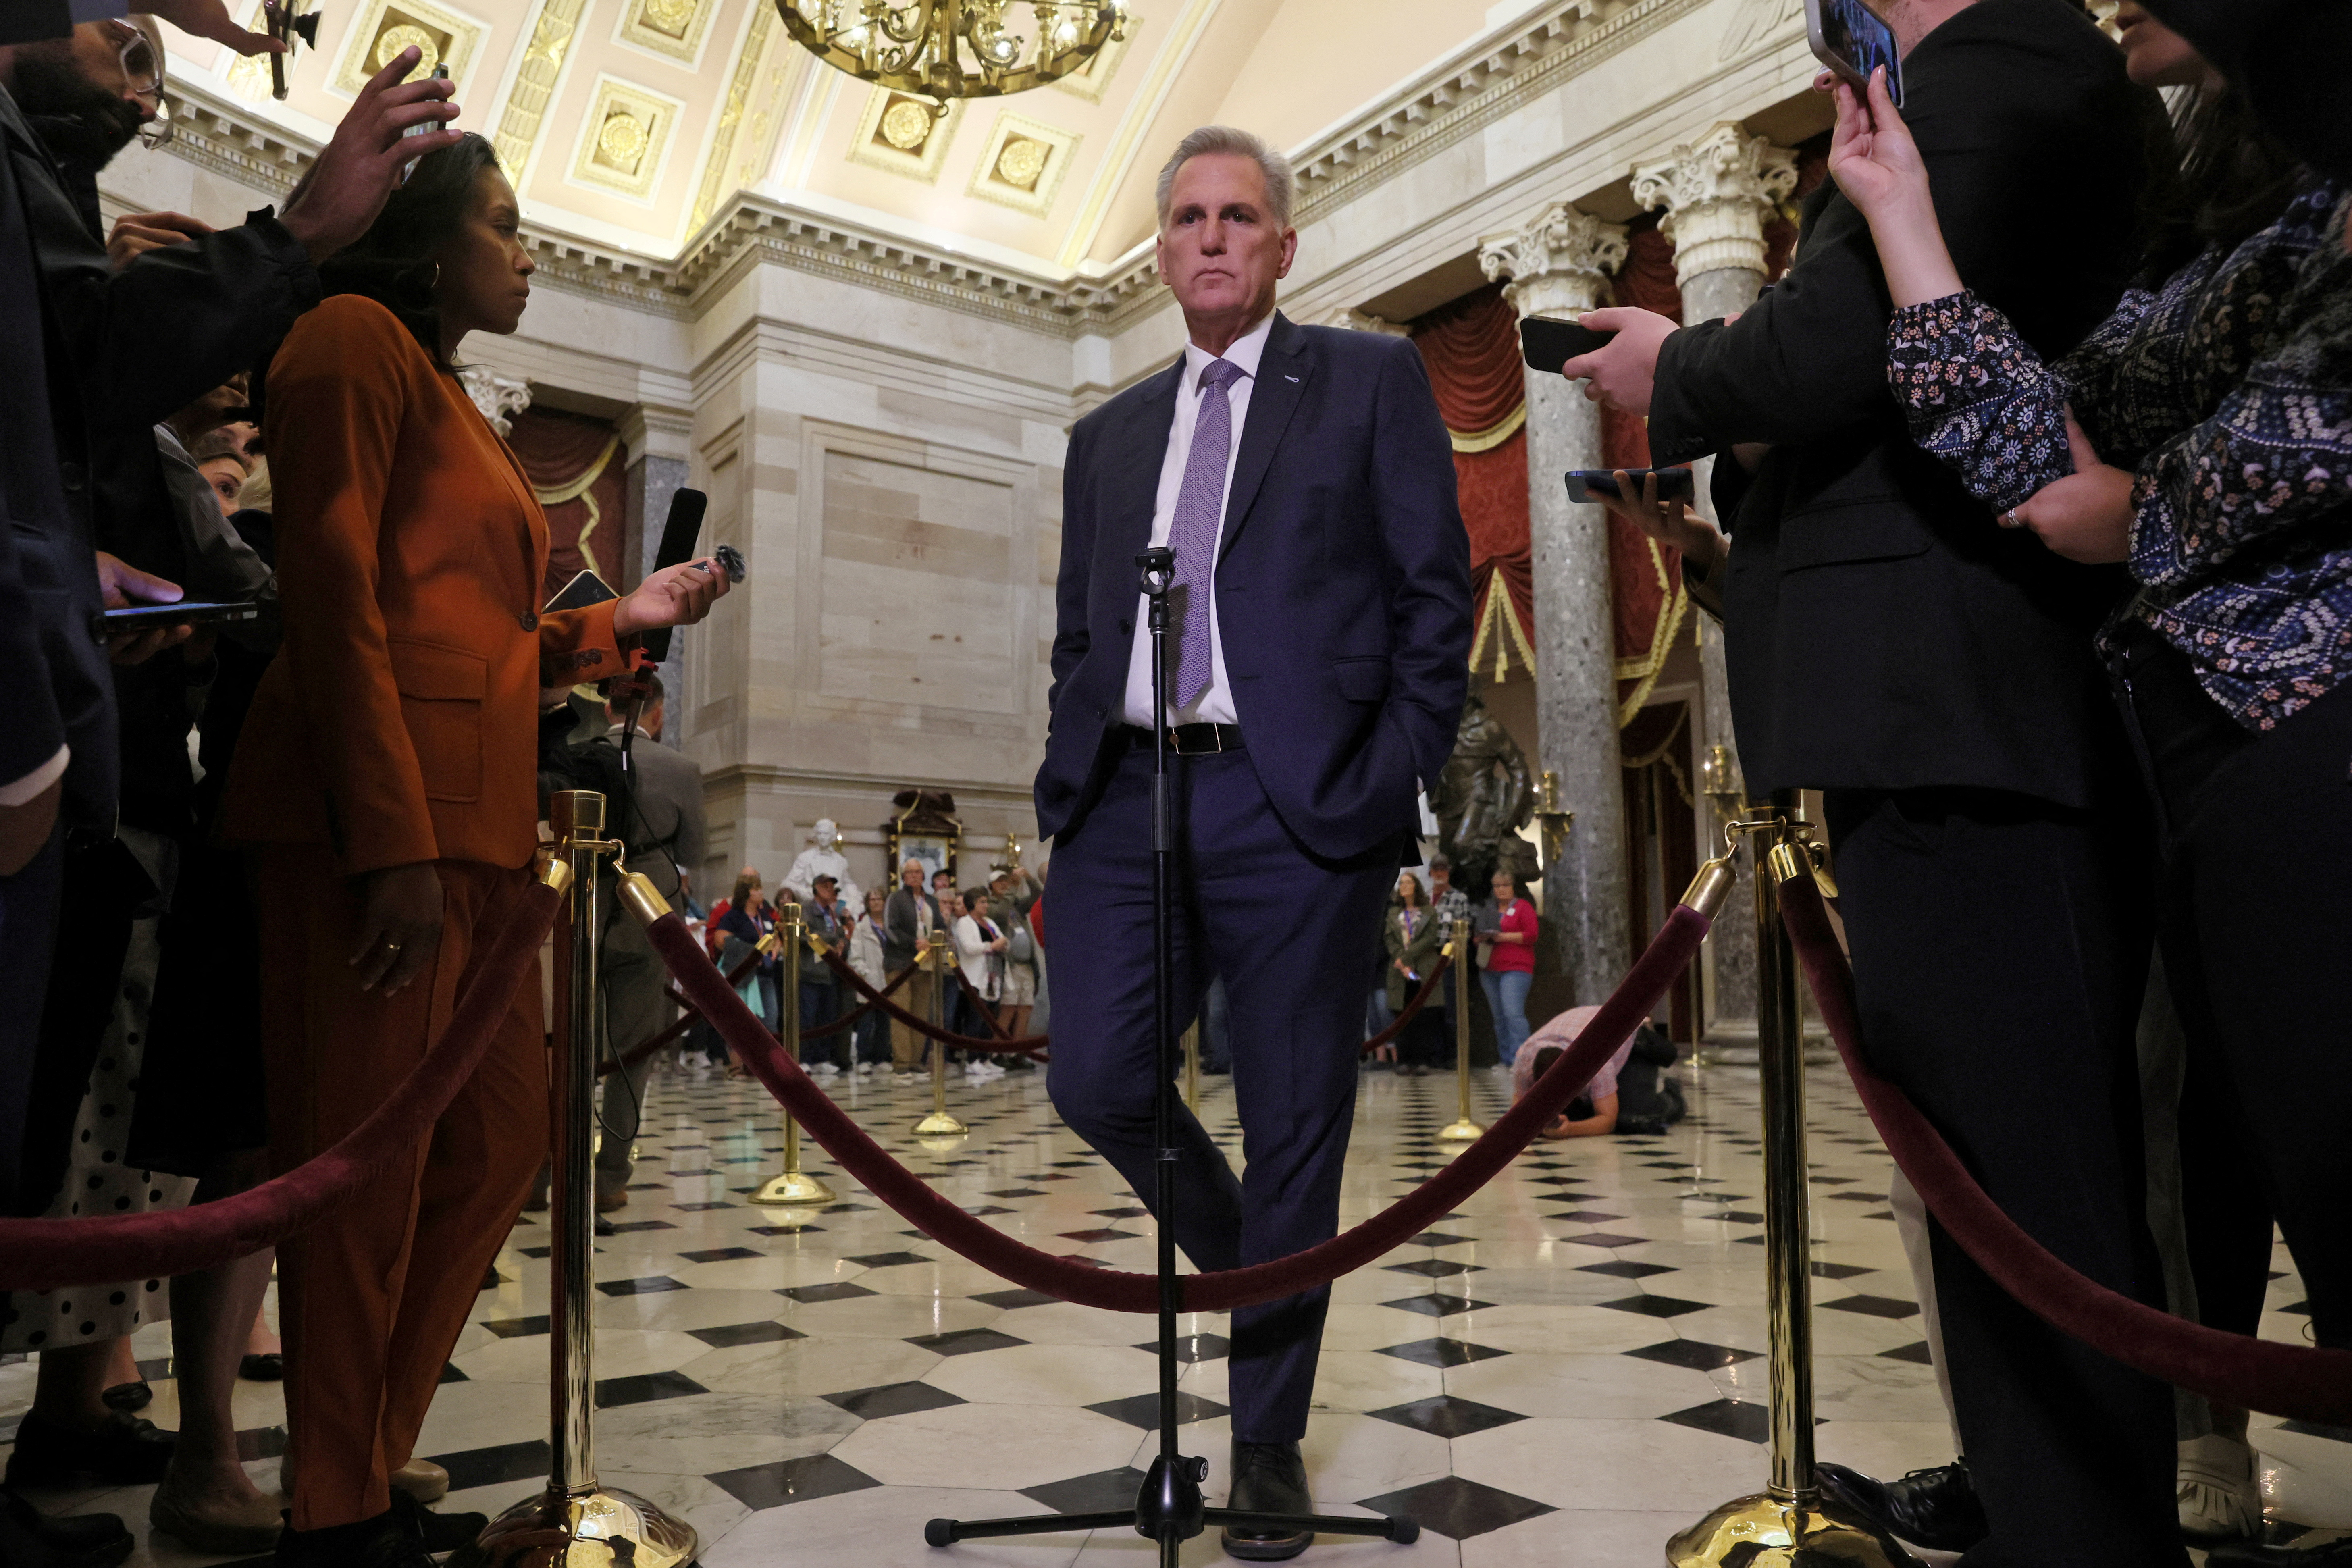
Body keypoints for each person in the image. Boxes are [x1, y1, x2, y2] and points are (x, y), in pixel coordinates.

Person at [1563, 0, 2183, 1560]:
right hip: (1929, 699)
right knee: (1984, 1169)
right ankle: (2044, 1503)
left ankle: (2082, 1535)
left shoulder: (2001, 63)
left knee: (2024, 1182)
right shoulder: (1951, 84)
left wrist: (1678, 366)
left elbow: (1844, 348)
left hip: (1969, 693)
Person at [1824, 18, 2350, 1565]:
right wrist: (1900, 209)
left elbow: (2163, 491)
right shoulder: (2288, 234)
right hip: (2217, 793)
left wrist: (2153, 509)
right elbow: (2035, 455)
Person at [214, 134, 729, 1565]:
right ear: (429, 239)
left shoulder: (445, 390)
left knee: (503, 1134)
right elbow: (330, 584)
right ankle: (334, 1500)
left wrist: (616, 621)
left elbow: (475, 627)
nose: (527, 250)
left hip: (490, 833)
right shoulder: (347, 338)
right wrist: (386, 838)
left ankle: (372, 1445)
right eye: (503, 226)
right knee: (356, 1166)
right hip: (374, 830)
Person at [1035, 124, 1469, 1559]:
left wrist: (1387, 769)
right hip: (1126, 797)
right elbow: (1080, 631)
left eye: (1237, 216)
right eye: (1185, 218)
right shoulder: (1104, 436)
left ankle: (1267, 1440)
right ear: (1159, 252)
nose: (1211, 237)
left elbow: (1431, 597)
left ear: (1282, 244)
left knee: (1295, 1122)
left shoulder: (1364, 380)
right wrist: (1066, 770)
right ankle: (1257, 1265)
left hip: (1299, 805)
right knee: (1095, 1076)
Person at [589, 677, 705, 1208]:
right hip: (646, 912)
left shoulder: (580, 754)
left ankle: (545, 1171)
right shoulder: (679, 769)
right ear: (656, 713)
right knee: (633, 1049)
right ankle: (610, 1176)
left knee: (565, 1047)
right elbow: (695, 850)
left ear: (607, 705)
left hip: (581, 907)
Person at [883, 859, 943, 1078]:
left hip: (926, 964)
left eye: (918, 872)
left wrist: (932, 942)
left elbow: (941, 929)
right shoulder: (896, 899)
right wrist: (914, 943)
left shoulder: (933, 902)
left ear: (924, 876)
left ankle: (917, 1060)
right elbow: (890, 928)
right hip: (901, 963)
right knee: (901, 1012)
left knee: (920, 1014)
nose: (915, 876)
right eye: (910, 873)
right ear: (903, 876)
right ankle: (902, 1061)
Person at [1382, 872, 1446, 1076]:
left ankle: (1423, 1060)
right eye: (1401, 883)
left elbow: (1429, 939)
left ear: (1416, 886)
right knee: (1402, 1015)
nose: (1404, 886)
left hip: (1424, 969)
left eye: (1408, 882)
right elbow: (1390, 939)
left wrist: (1407, 959)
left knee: (1424, 1016)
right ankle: (1404, 1060)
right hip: (1400, 971)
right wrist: (1401, 963)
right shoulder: (1393, 913)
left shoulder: (1428, 911)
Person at [1476, 868, 1536, 1068]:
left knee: (1513, 1014)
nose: (1501, 890)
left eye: (1505, 885)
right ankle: (1506, 1059)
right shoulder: (1489, 909)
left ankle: (1523, 1061)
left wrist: (1503, 937)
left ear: (1513, 887)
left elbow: (1531, 935)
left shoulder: (1523, 907)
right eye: (1497, 886)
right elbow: (1476, 939)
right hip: (1490, 969)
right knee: (1499, 1017)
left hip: (1517, 968)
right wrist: (1483, 937)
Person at [954, 888, 1009, 1081]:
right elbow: (969, 948)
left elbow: (1004, 940)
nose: (986, 906)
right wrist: (990, 946)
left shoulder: (990, 923)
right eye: (982, 902)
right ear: (973, 905)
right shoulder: (965, 923)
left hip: (992, 976)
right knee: (975, 1019)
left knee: (990, 1019)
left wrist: (1000, 944)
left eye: (987, 902)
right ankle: (972, 1060)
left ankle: (986, 1058)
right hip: (975, 978)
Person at [799, 874, 850, 1078]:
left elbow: (839, 936)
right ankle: (803, 1058)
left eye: (832, 887)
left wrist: (841, 943)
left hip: (829, 972)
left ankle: (821, 1058)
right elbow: (801, 935)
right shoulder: (806, 910)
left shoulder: (833, 914)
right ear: (817, 889)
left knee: (827, 1018)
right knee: (808, 1018)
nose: (831, 891)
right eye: (826, 886)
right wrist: (828, 940)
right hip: (811, 972)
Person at [986, 865, 1040, 1041]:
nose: (1003, 884)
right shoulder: (990, 905)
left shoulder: (1016, 905)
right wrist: (1012, 889)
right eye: (998, 882)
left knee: (1026, 1009)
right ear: (991, 886)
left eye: (1005, 881)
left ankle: (1017, 1054)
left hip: (1027, 966)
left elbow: (1037, 896)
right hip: (1010, 966)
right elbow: (1001, 914)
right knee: (1008, 1009)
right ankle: (998, 1052)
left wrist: (1029, 878)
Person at [847, 887, 892, 1076]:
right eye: (872, 899)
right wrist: (867, 974)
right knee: (867, 1022)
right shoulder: (861, 928)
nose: (876, 902)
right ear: (867, 904)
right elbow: (855, 958)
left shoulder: (891, 926)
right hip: (869, 981)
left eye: (879, 899)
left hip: (889, 980)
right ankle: (864, 1059)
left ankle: (882, 1057)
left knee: (885, 1021)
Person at [782, 818, 861, 911]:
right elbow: (787, 883)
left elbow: (848, 884)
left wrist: (852, 900)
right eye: (820, 834)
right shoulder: (805, 858)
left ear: (832, 836)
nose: (823, 837)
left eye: (826, 834)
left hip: (836, 907)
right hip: (812, 906)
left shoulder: (841, 861)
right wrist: (810, 893)